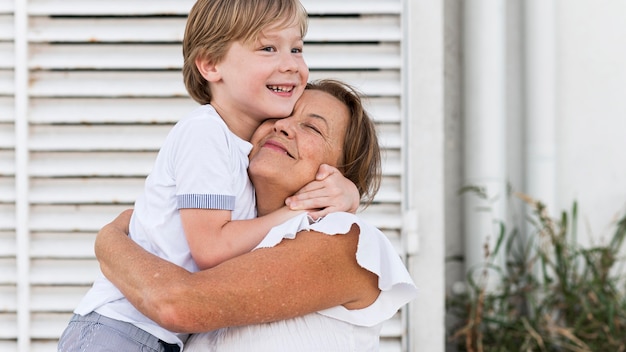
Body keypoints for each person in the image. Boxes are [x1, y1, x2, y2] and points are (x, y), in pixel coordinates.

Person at [57, 1, 359, 351]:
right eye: (268, 48)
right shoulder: (205, 135)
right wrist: (298, 210)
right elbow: (211, 250)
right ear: (211, 64)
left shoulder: (247, 151)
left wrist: (345, 191)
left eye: (296, 48)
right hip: (121, 328)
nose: (291, 64)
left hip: (158, 336)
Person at [94, 80, 418, 351]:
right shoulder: (227, 241)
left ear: (340, 172)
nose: (283, 126)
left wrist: (108, 240)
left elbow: (177, 304)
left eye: (311, 127)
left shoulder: (346, 239)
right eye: (280, 114)